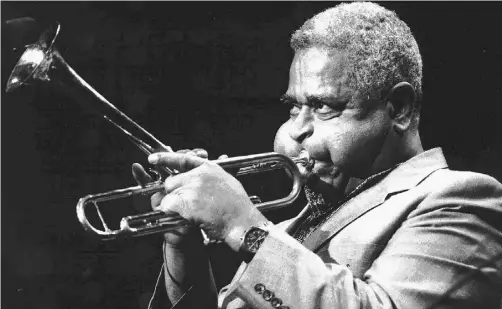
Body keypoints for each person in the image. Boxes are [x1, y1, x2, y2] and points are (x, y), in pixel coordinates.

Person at [132, 2, 502, 309]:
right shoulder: (288, 231)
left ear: (399, 109)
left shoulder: (459, 199)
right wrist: (185, 250)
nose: (295, 131)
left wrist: (239, 224)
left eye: (323, 106)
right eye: (293, 108)